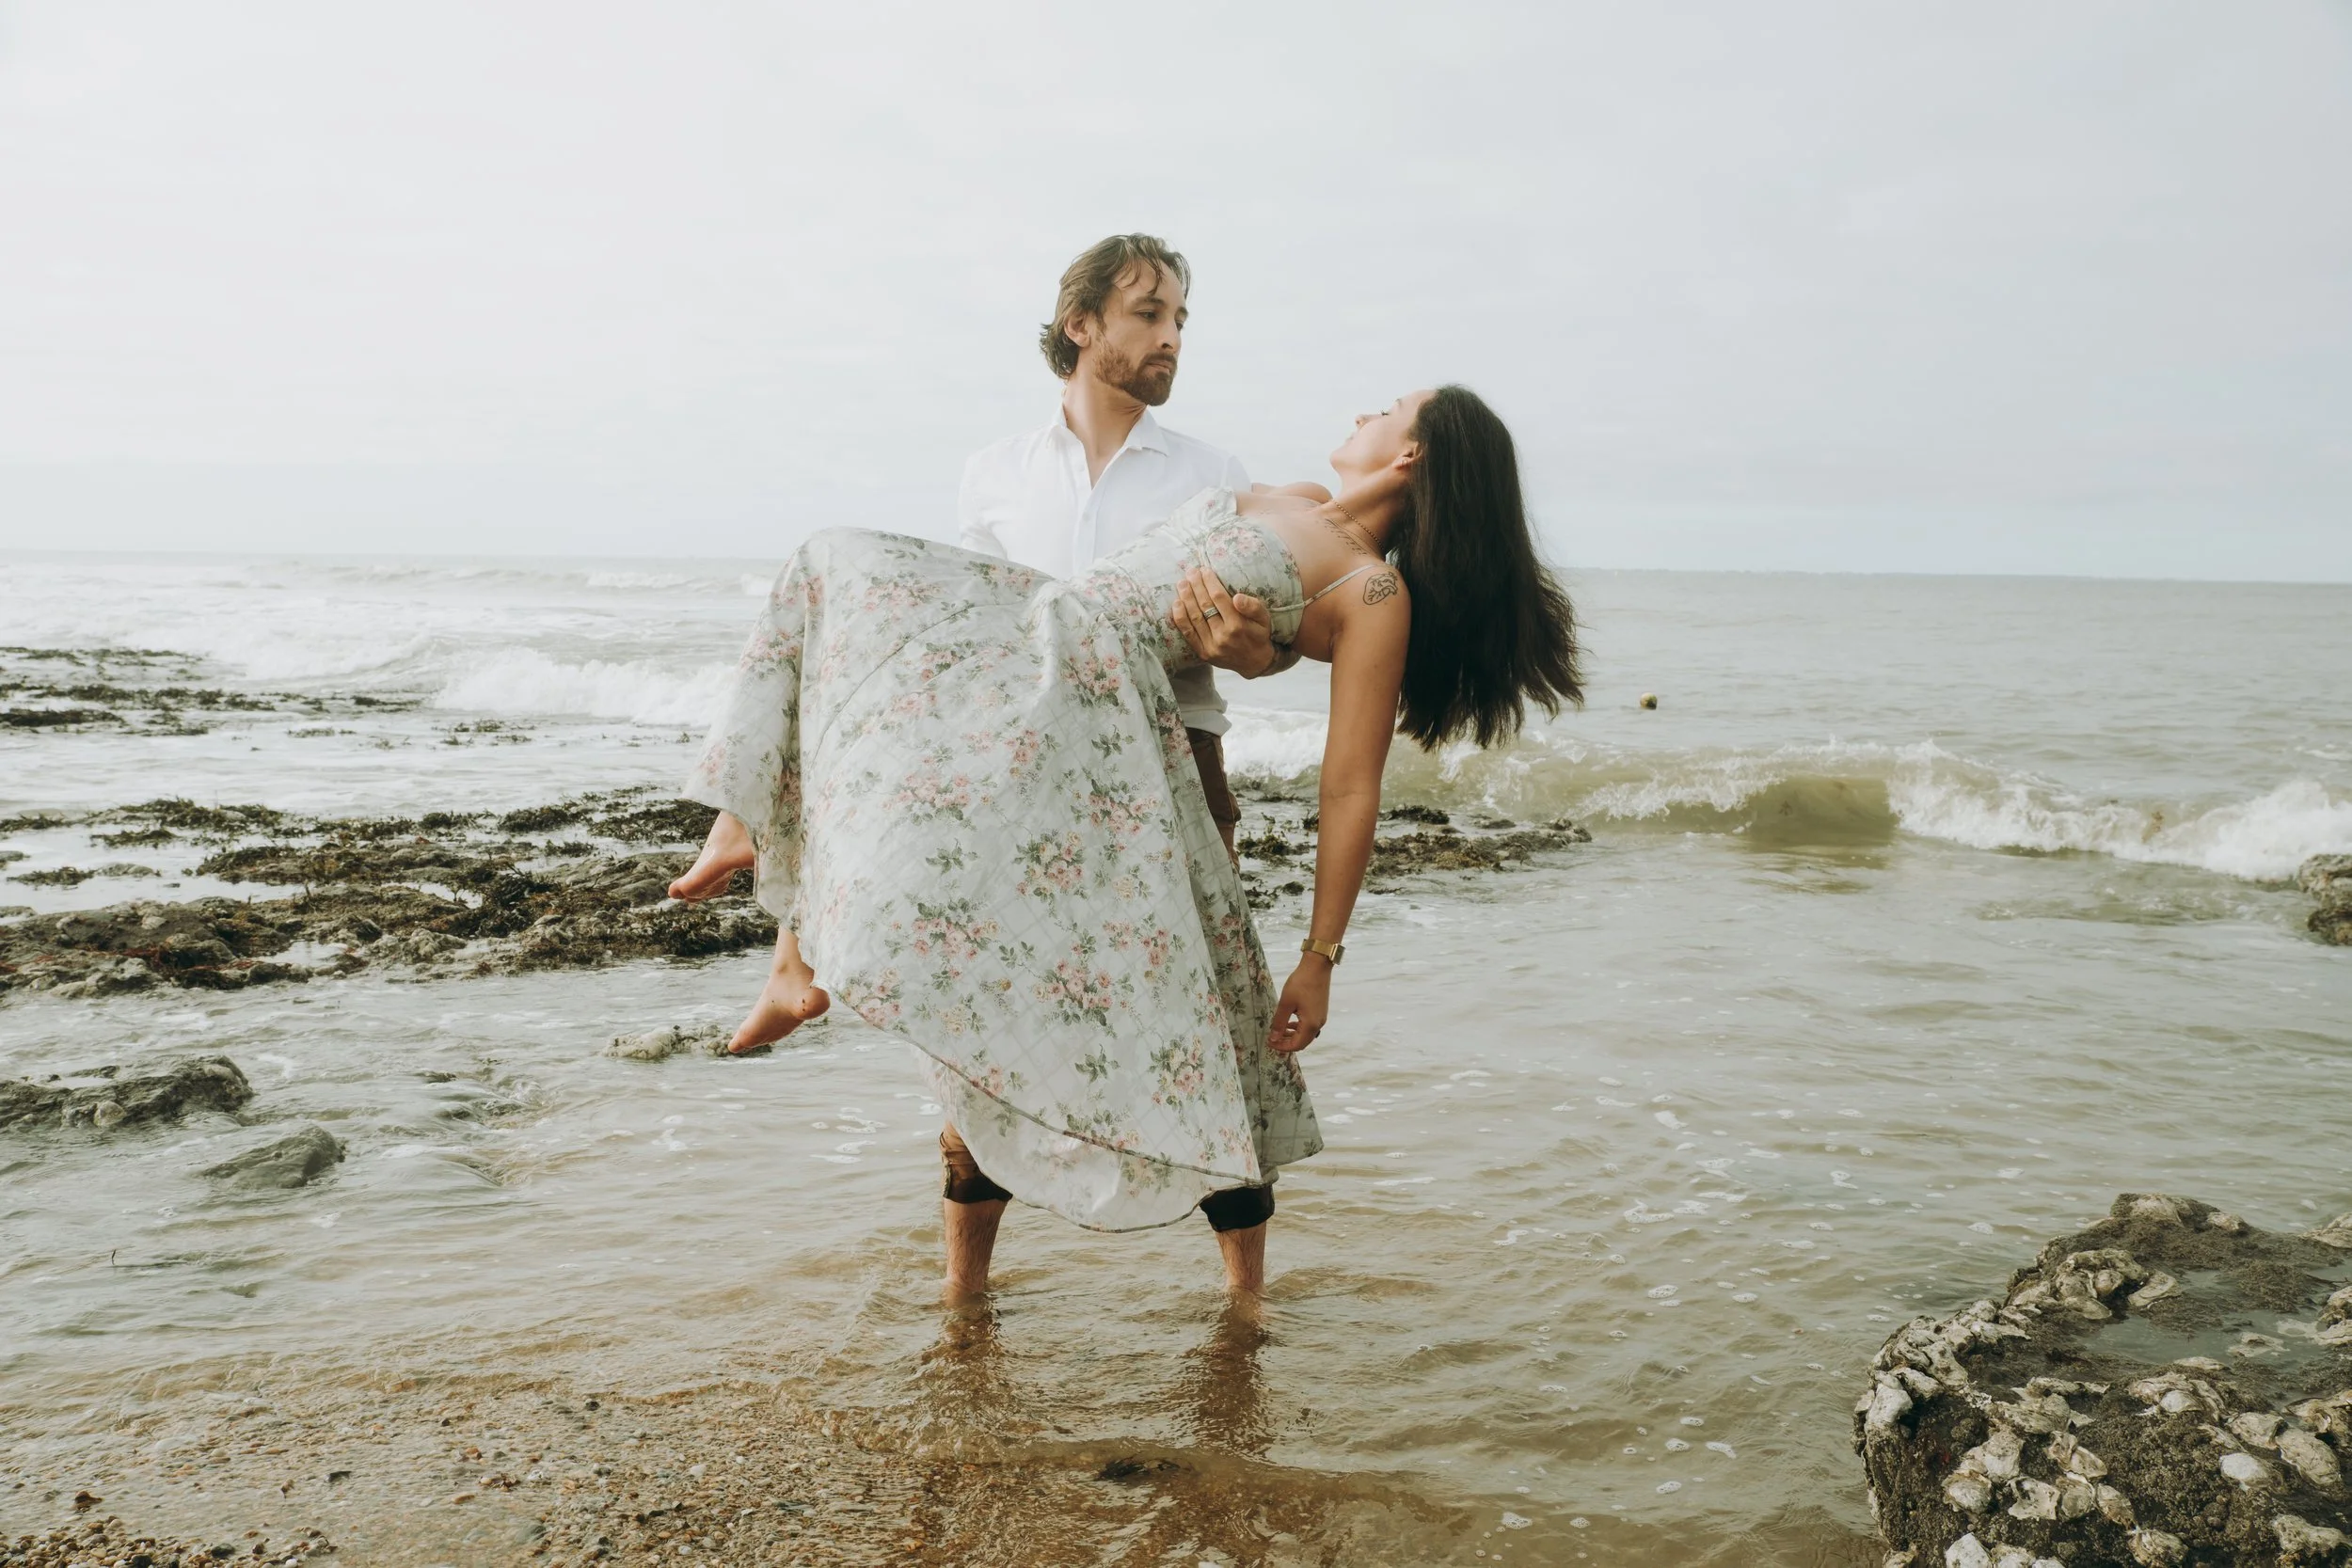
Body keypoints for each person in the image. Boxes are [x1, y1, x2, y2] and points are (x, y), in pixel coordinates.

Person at [667, 386, 1584, 1300]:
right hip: (1041, 635)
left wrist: (1320, 955)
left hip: (1105, 730)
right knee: (834, 572)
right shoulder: (1291, 494)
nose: (1359, 412)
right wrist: (1260, 651)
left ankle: (1244, 1306)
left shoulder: (1370, 587)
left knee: (1214, 1029)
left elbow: (1349, 786)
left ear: (1414, 453)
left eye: (1387, 407)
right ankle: (785, 936)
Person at [958, 232, 1290, 860]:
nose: (1171, 337)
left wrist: (1259, 651)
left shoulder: (1217, 476)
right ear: (1079, 324)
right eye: (1149, 314)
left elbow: (1274, 644)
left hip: (1181, 760)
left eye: (1179, 320)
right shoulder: (992, 473)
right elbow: (979, 640)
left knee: (1201, 962)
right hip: (1029, 762)